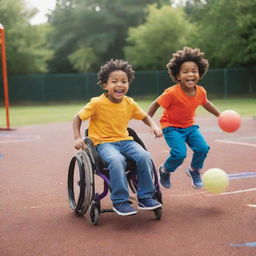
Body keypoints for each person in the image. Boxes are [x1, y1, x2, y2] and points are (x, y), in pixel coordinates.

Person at [73, 59, 162, 216]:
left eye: (124, 81)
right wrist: (77, 137)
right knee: (116, 160)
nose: (120, 85)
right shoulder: (97, 103)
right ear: (105, 85)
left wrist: (153, 126)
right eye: (114, 81)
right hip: (103, 144)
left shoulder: (129, 103)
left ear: (128, 84)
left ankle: (146, 197)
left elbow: (144, 116)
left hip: (126, 141)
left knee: (144, 156)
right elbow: (78, 118)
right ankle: (120, 200)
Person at [147, 47, 220, 189]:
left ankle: (194, 170)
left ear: (200, 73)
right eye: (185, 72)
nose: (190, 74)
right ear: (178, 75)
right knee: (180, 154)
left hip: (190, 127)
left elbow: (206, 103)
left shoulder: (200, 91)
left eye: (194, 71)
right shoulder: (171, 93)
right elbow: (155, 104)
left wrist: (219, 115)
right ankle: (165, 170)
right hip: (171, 127)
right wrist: (149, 122)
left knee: (203, 148)